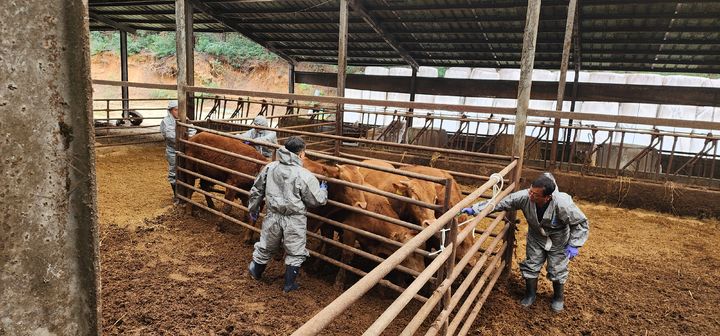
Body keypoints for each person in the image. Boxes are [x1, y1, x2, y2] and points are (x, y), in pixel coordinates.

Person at [462, 172, 589, 312]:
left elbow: (580, 223)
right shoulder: (524, 196)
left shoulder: (563, 204)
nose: (531, 195)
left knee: (557, 268)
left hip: (558, 238)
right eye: (530, 191)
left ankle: (558, 298)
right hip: (536, 236)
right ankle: (530, 294)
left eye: (536, 194)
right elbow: (500, 202)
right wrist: (475, 209)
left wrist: (574, 244)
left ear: (547, 197)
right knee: (532, 264)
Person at [246, 136, 328, 292]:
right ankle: (289, 284)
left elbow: (256, 191)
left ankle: (255, 272)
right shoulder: (305, 175)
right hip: (294, 218)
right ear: (302, 154)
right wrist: (323, 190)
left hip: (272, 215)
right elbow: (316, 201)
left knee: (266, 245)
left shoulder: (270, 167)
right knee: (295, 250)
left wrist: (253, 209)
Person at [159, 100, 196, 202]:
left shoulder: (185, 119)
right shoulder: (166, 121)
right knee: (174, 172)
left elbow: (193, 130)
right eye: (176, 110)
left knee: (185, 170)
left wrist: (187, 138)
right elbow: (170, 136)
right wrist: (185, 138)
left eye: (180, 109)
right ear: (170, 111)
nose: (178, 112)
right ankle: (176, 195)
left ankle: (184, 194)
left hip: (185, 150)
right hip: (173, 150)